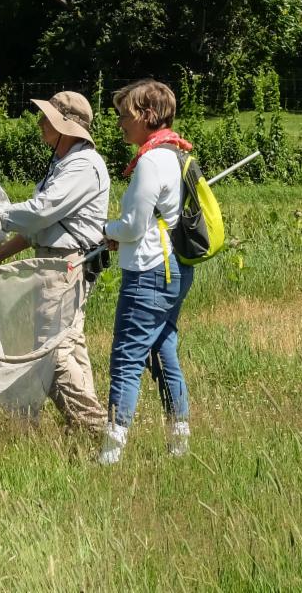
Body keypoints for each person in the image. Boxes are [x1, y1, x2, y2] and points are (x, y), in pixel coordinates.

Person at [0, 91, 110, 432]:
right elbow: (40, 227)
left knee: (53, 353)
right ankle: (95, 431)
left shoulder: (83, 166)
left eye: (46, 118)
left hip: (65, 267)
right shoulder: (64, 164)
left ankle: (93, 428)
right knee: (69, 348)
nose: (39, 123)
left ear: (64, 126)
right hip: (55, 266)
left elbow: (41, 212)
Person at [98, 79, 196, 465]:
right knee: (161, 350)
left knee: (126, 357)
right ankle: (179, 441)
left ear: (148, 115)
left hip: (149, 273)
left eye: (126, 115)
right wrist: (120, 234)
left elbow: (134, 227)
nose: (120, 122)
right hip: (173, 269)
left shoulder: (152, 161)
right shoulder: (174, 153)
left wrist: (106, 230)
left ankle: (111, 450)